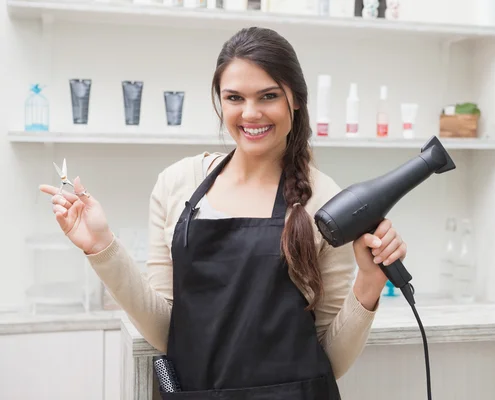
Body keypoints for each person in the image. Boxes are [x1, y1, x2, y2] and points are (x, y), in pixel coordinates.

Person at [39, 27, 407, 398]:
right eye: (234, 97)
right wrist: (101, 246)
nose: (250, 113)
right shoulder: (177, 184)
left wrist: (369, 282)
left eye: (268, 96)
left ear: (295, 100)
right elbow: (165, 328)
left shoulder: (326, 201)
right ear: (220, 101)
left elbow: (332, 358)